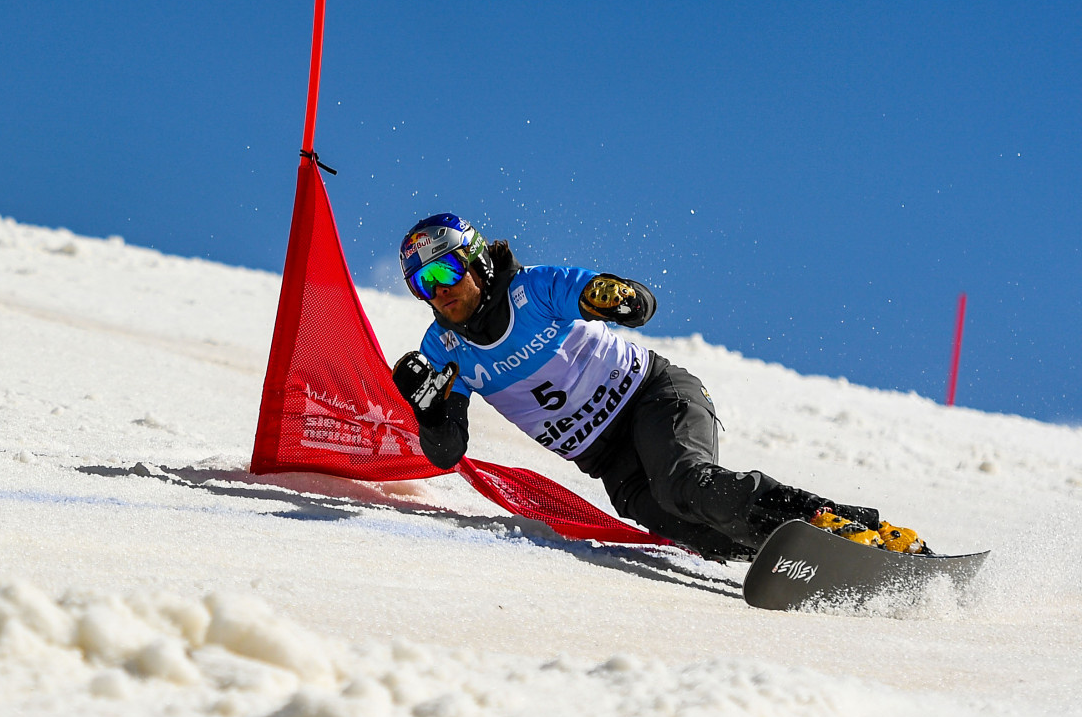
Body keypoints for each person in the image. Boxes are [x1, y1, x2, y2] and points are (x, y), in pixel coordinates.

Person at [389, 213, 920, 560]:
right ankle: (809, 555)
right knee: (694, 529)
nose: (440, 292)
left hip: (653, 398)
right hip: (608, 461)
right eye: (423, 285)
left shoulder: (534, 288)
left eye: (448, 271)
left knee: (685, 485)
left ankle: (841, 524)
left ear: (479, 260)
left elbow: (637, 304)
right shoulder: (444, 351)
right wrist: (431, 413)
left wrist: (616, 296)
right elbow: (447, 454)